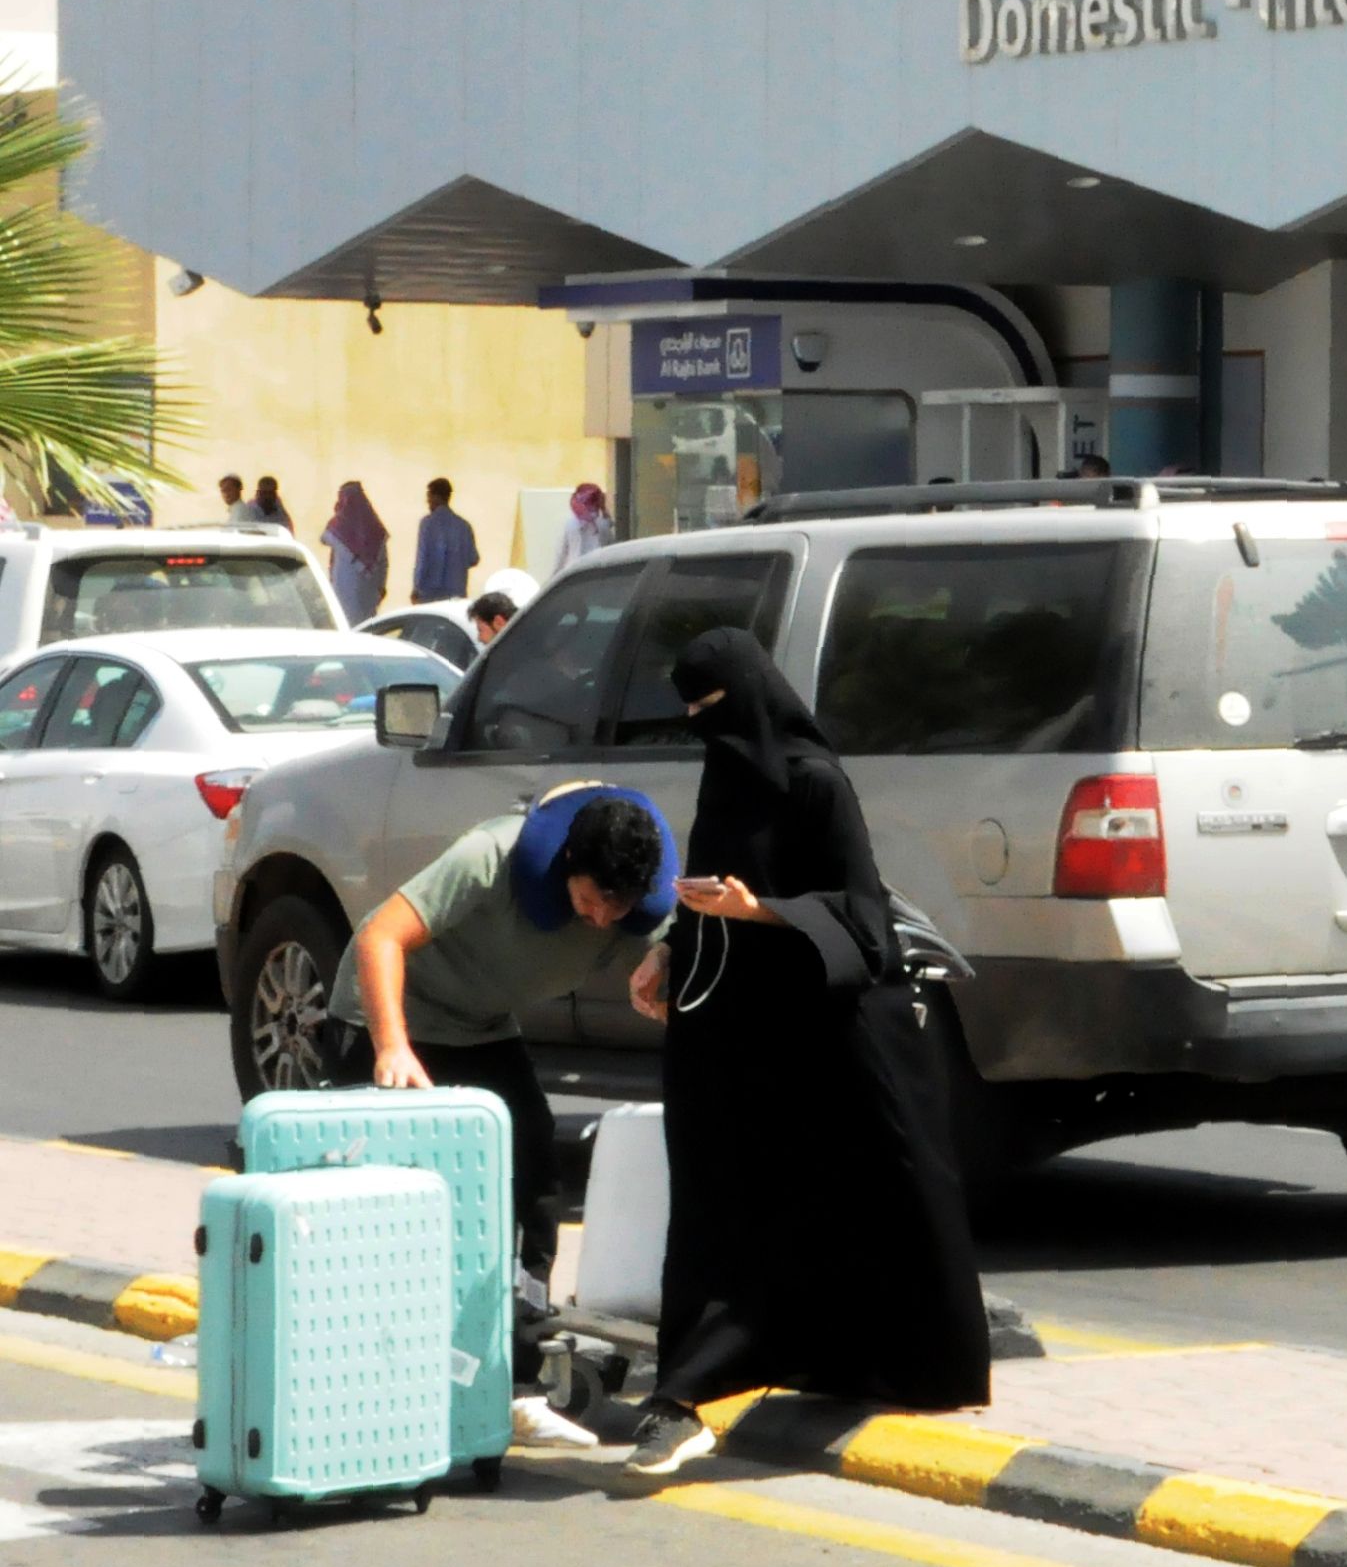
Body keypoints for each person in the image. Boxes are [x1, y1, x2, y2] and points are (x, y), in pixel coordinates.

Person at [617, 627, 988, 1476]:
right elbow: (709, 880)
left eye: (715, 707)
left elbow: (864, 921)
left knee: (848, 1197)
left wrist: (760, 912)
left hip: (821, 1032)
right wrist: (669, 949)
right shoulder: (726, 776)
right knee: (718, 1201)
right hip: (732, 1029)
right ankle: (683, 1392)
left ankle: (864, 1362)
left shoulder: (817, 784)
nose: (707, 726)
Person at [327, 784, 679, 1448]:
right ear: (566, 864)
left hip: (479, 1024)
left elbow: (679, 928)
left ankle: (520, 1375)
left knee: (534, 1165)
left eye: (619, 906)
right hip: (387, 1015)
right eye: (590, 900)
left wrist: (657, 959)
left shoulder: (636, 901)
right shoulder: (488, 856)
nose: (602, 919)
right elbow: (380, 936)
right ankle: (360, 1373)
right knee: (376, 1202)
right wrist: (391, 1046)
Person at [322, 481, 389, 624]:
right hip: (366, 593)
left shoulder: (339, 528)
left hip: (347, 590)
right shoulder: (377, 531)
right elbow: (384, 565)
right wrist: (381, 587)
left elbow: (324, 537)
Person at [414, 476, 479, 604]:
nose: (428, 501)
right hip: (456, 594)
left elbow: (422, 559)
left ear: (436, 497)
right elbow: (473, 559)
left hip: (429, 593)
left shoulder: (427, 524)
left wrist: (416, 588)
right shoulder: (464, 526)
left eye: (429, 496)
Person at [555, 481, 615, 574]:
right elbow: (611, 550)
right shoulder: (604, 524)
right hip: (598, 573)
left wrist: (554, 576)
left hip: (574, 574)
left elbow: (561, 555)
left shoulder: (571, 524)